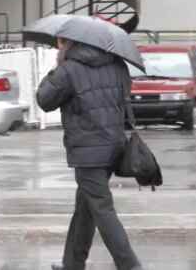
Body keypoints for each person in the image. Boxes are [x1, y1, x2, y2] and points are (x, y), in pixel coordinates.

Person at [37, 38, 142, 270]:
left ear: (68, 43)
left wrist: (57, 68)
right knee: (85, 208)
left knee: (102, 209)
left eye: (60, 43)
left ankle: (130, 265)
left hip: (88, 151)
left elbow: (44, 99)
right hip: (114, 145)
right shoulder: (117, 64)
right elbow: (124, 94)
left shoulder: (69, 69)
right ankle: (72, 263)